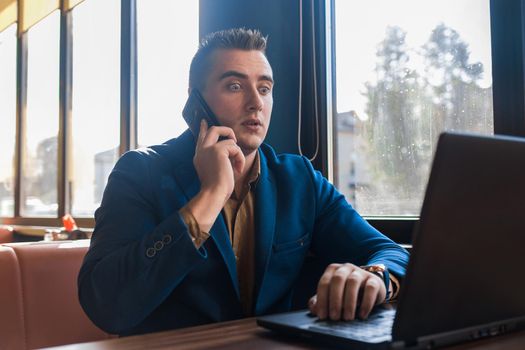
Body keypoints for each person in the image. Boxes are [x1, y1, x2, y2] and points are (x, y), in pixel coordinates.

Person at [78, 28, 409, 336]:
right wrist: (209, 197)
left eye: (264, 88)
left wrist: (376, 276)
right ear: (196, 102)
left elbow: (389, 252)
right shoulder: (140, 172)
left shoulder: (299, 178)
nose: (256, 102)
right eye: (235, 86)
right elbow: (105, 303)